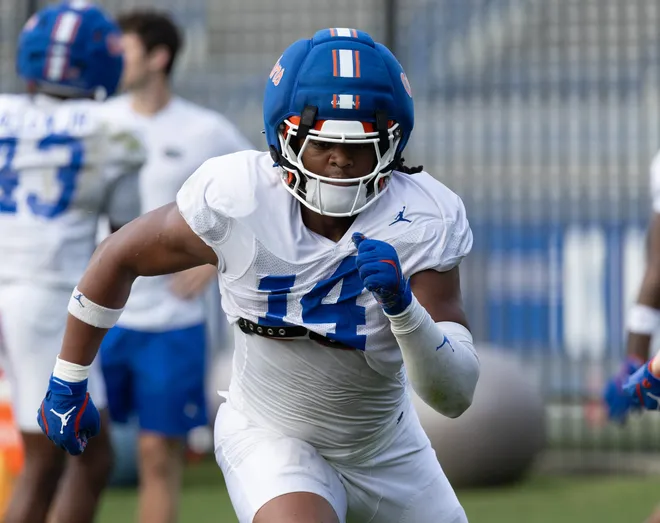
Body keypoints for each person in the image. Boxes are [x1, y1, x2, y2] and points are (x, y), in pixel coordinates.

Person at [37, 27, 480, 523]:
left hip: (384, 446)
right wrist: (68, 379)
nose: (340, 159)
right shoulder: (241, 197)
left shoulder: (423, 216)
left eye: (361, 144)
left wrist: (404, 309)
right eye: (323, 142)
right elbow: (118, 256)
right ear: (285, 137)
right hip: (271, 432)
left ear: (391, 143)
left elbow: (455, 394)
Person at [97, 9, 252, 523]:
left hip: (171, 325)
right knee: (76, 453)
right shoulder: (100, 123)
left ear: (159, 58)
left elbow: (263, 194)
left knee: (156, 457)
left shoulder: (205, 131)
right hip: (97, 317)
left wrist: (214, 261)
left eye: (127, 49)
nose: (115, 58)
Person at [0, 2, 145, 522]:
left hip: (13, 281)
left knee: (85, 452)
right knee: (57, 456)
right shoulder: (115, 128)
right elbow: (124, 231)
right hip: (43, 292)